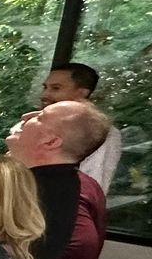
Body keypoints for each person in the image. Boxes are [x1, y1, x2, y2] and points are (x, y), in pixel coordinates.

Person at [41, 62, 123, 193]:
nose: (45, 95)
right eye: (45, 87)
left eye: (56, 88)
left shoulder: (102, 134)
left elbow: (92, 186)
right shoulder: (36, 125)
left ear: (81, 93)